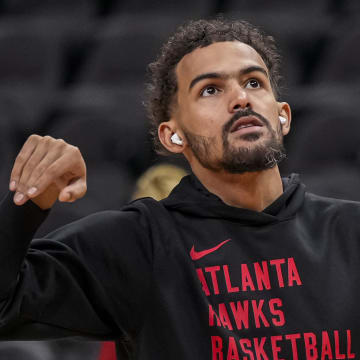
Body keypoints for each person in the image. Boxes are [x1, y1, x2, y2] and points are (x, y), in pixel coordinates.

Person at [0, 17, 358, 359]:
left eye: (253, 82)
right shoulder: (140, 243)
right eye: (211, 89)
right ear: (173, 135)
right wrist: (29, 202)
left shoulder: (349, 230)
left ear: (283, 115)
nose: (241, 98)